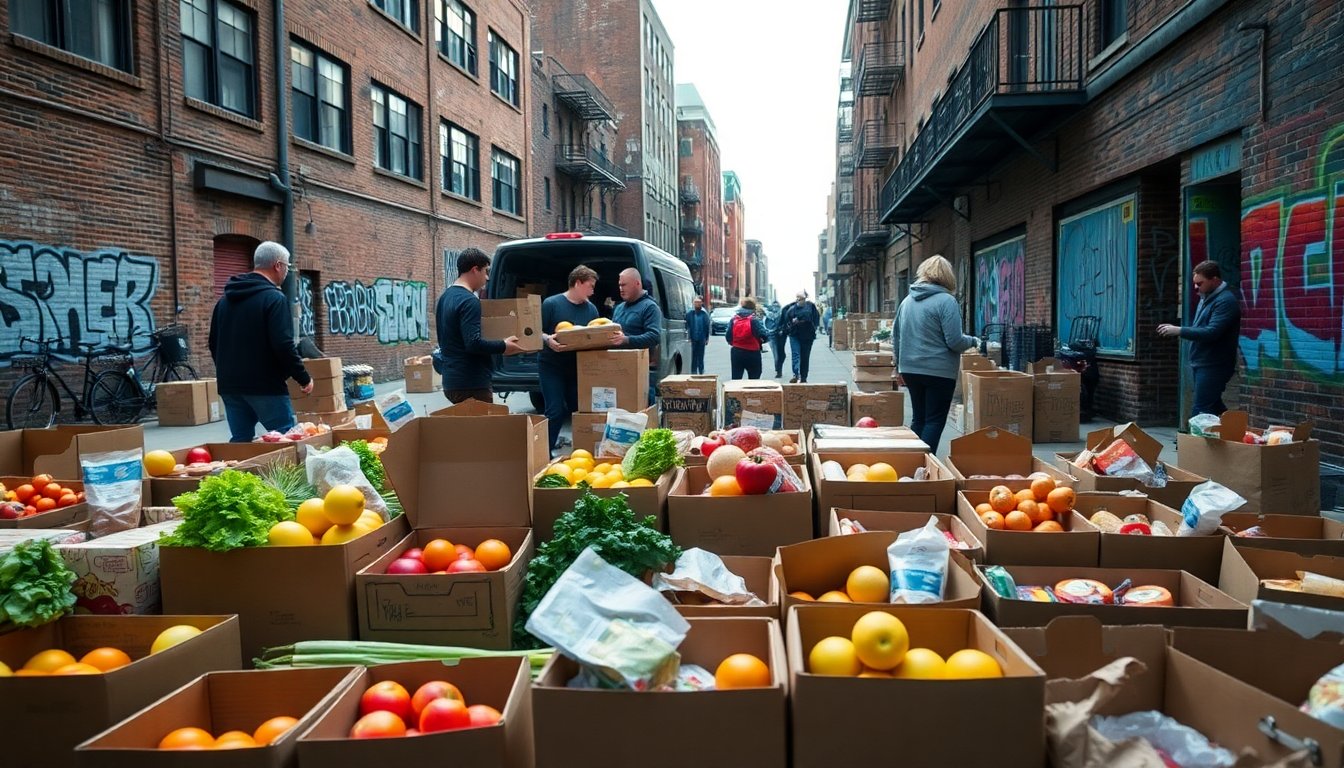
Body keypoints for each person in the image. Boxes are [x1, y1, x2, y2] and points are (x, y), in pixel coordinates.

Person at [209, 241, 313, 442]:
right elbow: (283, 344)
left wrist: (229, 372)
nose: (286, 272)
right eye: (287, 266)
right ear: (277, 265)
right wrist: (303, 377)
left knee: (241, 442)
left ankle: (243, 473)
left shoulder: (224, 301)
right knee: (287, 441)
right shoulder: (274, 298)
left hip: (230, 386)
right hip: (265, 386)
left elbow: (214, 343)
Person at [895, 254, 979, 453]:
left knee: (919, 418)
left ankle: (912, 462)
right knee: (934, 420)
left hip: (910, 369)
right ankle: (925, 466)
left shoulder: (906, 301)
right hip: (938, 371)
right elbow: (955, 341)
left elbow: (896, 336)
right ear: (947, 276)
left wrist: (898, 365)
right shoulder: (946, 301)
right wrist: (974, 341)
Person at [434, 248, 525, 405]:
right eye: (485, 271)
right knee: (483, 429)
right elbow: (473, 343)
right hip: (471, 383)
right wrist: (504, 346)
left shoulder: (445, 297)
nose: (487, 277)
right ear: (475, 269)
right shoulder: (469, 301)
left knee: (467, 429)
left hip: (451, 380)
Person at [1158, 260, 1242, 416]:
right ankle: (1236, 432)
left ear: (1215, 280)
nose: (1196, 287)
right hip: (1203, 362)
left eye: (1200, 283)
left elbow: (1211, 332)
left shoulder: (1225, 301)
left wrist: (1179, 330)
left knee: (1201, 410)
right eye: (1195, 283)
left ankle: (1192, 440)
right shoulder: (1206, 297)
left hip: (1214, 364)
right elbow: (1200, 328)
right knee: (1214, 406)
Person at [538, 265, 601, 452]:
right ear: (578, 283)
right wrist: (548, 339)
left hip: (577, 368)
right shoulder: (551, 304)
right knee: (555, 411)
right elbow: (533, 331)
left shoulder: (592, 310)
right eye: (590, 286)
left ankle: (583, 451)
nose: (592, 291)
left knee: (580, 411)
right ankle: (544, 453)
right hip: (551, 366)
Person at [611, 267, 663, 405]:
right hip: (617, 370)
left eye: (624, 285)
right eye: (619, 285)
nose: (621, 289)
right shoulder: (619, 308)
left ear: (637, 284)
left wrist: (626, 340)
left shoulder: (650, 307)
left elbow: (654, 336)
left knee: (641, 414)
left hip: (641, 371)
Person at [783, 290, 821, 383]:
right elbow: (787, 322)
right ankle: (796, 374)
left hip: (807, 336)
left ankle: (803, 377)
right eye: (799, 298)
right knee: (796, 355)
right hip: (795, 335)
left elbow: (816, 318)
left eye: (802, 298)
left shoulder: (810, 306)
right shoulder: (791, 309)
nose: (800, 300)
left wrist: (814, 328)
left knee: (805, 356)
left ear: (805, 298)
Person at [726, 297, 769, 380]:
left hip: (737, 351)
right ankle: (750, 393)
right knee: (754, 378)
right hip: (752, 352)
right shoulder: (754, 319)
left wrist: (734, 343)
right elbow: (764, 334)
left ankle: (736, 392)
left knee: (736, 378)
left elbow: (728, 336)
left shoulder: (734, 319)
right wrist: (762, 341)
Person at [685, 296, 710, 375]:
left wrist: (707, 338)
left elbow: (707, 326)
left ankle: (701, 371)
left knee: (701, 356)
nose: (697, 304)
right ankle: (693, 372)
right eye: (696, 302)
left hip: (701, 338)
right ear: (693, 303)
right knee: (693, 356)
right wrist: (688, 337)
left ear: (702, 303)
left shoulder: (704, 314)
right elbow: (687, 326)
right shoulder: (689, 314)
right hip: (693, 338)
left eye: (699, 302)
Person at [765, 300, 787, 377]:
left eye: (777, 306)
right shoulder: (768, 314)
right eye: (774, 306)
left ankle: (778, 367)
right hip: (772, 335)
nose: (775, 307)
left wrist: (783, 330)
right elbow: (765, 325)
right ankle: (778, 370)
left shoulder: (782, 313)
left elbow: (785, 323)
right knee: (776, 353)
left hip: (781, 335)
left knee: (782, 353)